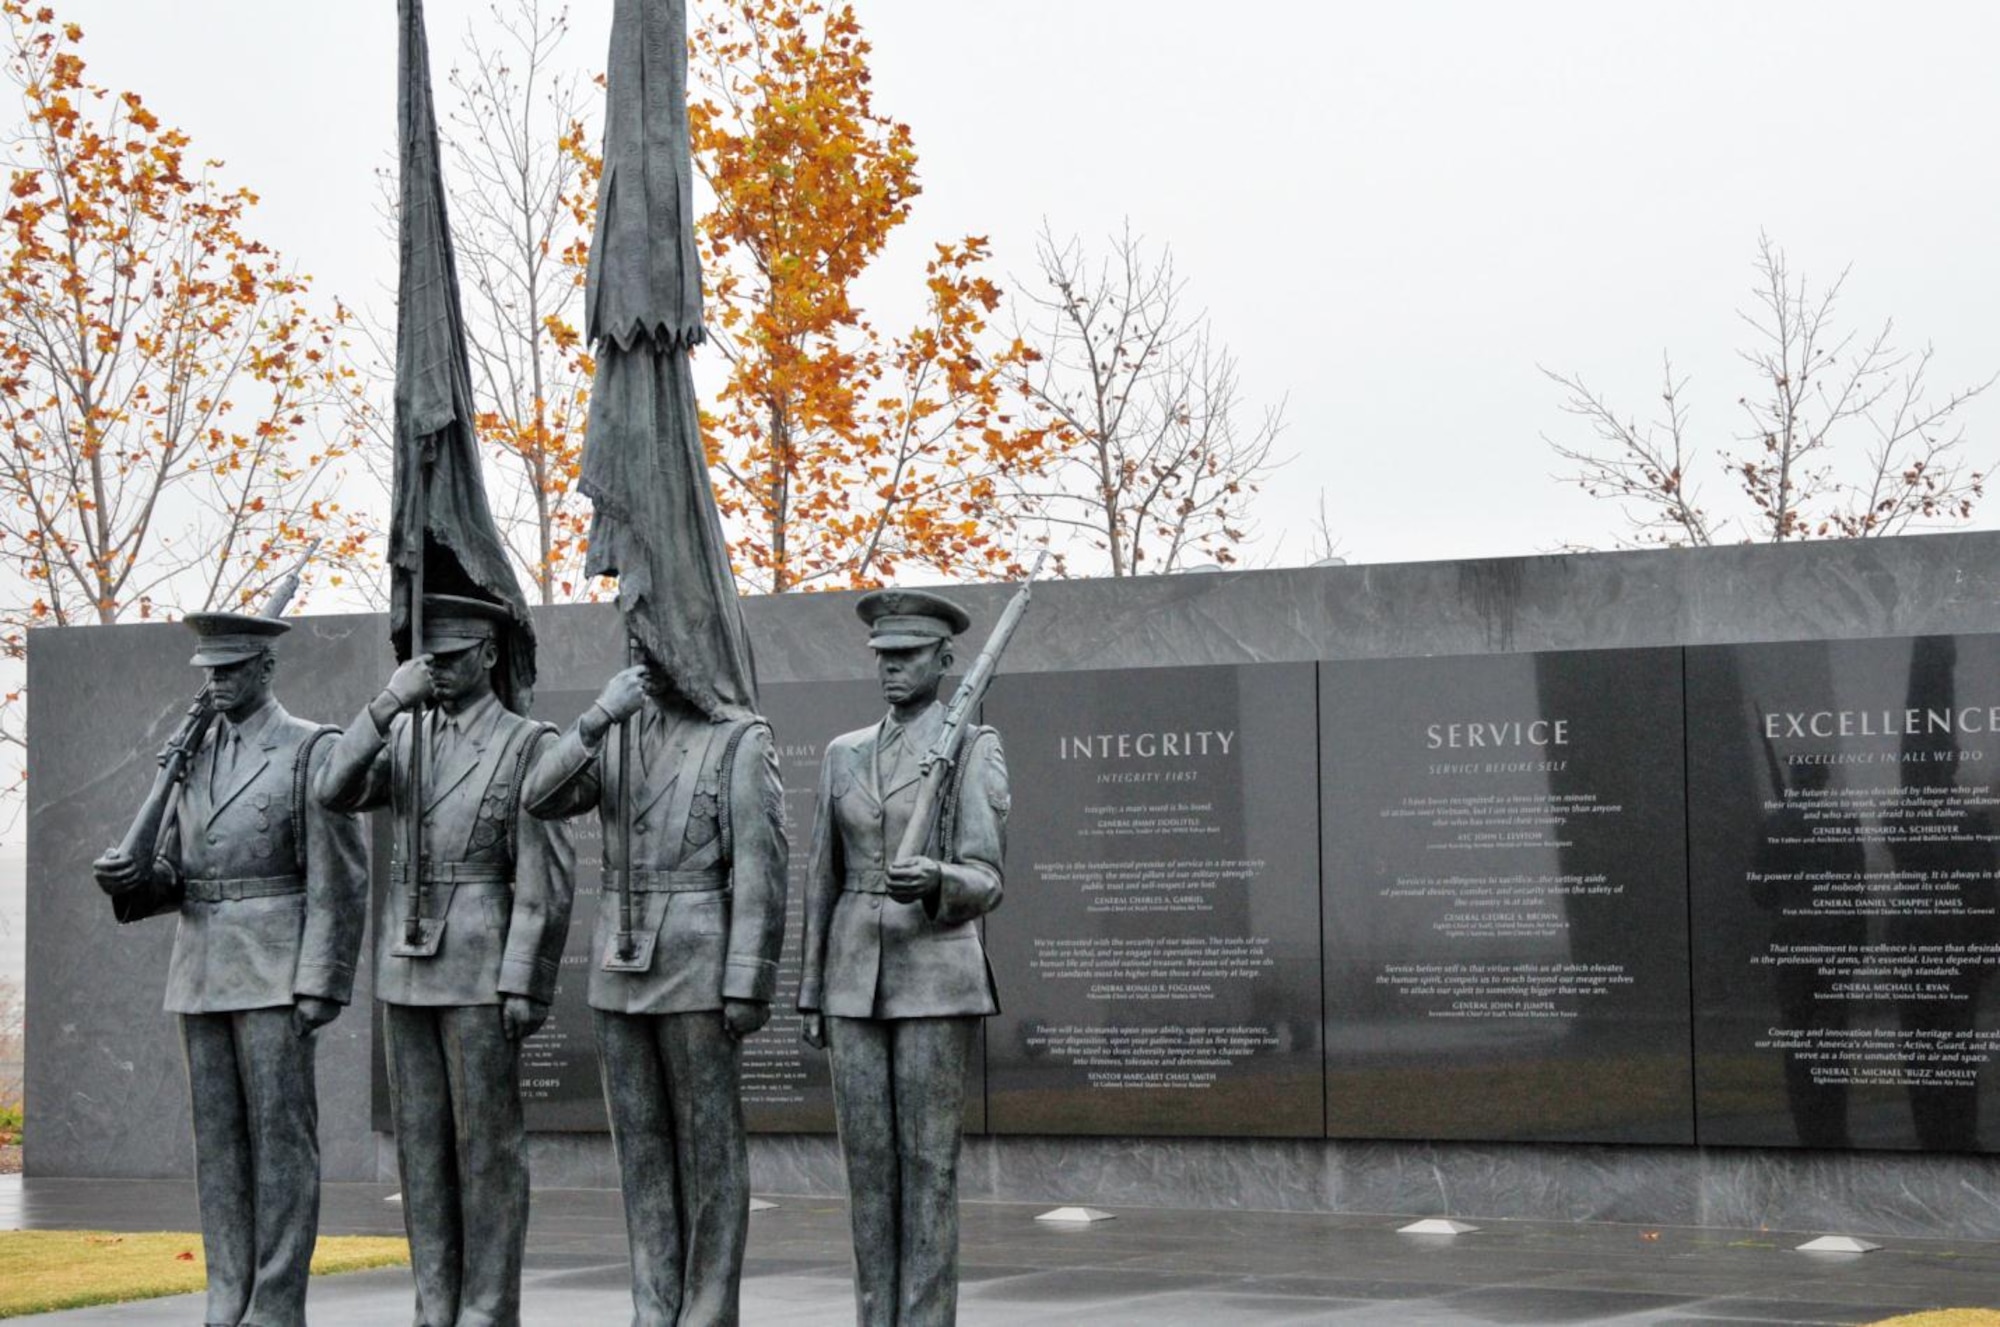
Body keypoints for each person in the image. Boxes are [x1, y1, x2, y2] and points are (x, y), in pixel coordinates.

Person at [94, 611, 367, 1327]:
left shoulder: (312, 749)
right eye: (209, 671)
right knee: (217, 1147)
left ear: (265, 668)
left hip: (275, 967)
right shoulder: (192, 755)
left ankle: (275, 1302)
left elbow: (339, 880)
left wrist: (323, 979)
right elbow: (178, 876)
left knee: (282, 1142)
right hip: (201, 968)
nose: (216, 682)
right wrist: (131, 878)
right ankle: (227, 1293)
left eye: (230, 669)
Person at [315, 593, 573, 1327]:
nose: (439, 673)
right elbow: (331, 788)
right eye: (428, 662)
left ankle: (487, 1307)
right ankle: (436, 1301)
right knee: (420, 1153)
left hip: (481, 963)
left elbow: (544, 878)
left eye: (453, 659)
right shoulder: (407, 738)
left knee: (486, 1148)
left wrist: (526, 978)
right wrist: (386, 706)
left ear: (489, 655)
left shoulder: (528, 742)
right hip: (407, 965)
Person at [523, 650, 786, 1325]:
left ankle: (707, 1305)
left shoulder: (739, 739)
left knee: (709, 1150)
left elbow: (761, 867)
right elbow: (540, 796)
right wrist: (595, 716)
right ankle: (654, 1300)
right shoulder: (614, 728)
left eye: (658, 639)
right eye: (634, 641)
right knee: (640, 1152)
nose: (643, 653)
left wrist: (748, 979)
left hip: (698, 961)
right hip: (619, 962)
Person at [798, 589, 1010, 1327]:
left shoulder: (971, 746)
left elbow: (988, 877)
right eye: (883, 658)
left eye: (908, 657)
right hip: (853, 977)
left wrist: (940, 880)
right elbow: (820, 875)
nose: (891, 670)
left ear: (945, 660)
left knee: (926, 1169)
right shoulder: (843, 752)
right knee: (868, 1171)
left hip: (935, 974)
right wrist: (809, 990)